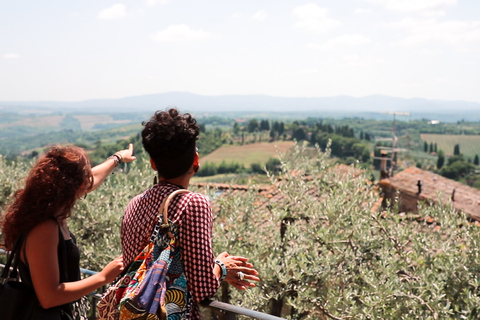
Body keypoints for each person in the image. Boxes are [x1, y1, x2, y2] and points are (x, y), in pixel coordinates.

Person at [121, 108, 260, 319]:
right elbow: (203, 289)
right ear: (195, 160)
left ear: (153, 163)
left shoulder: (134, 204)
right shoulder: (193, 203)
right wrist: (221, 267)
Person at [1, 143, 136, 319]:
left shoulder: (48, 209)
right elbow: (48, 297)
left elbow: (93, 178)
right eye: (85, 177)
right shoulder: (45, 229)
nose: (89, 182)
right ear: (77, 185)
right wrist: (102, 277)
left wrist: (117, 157)